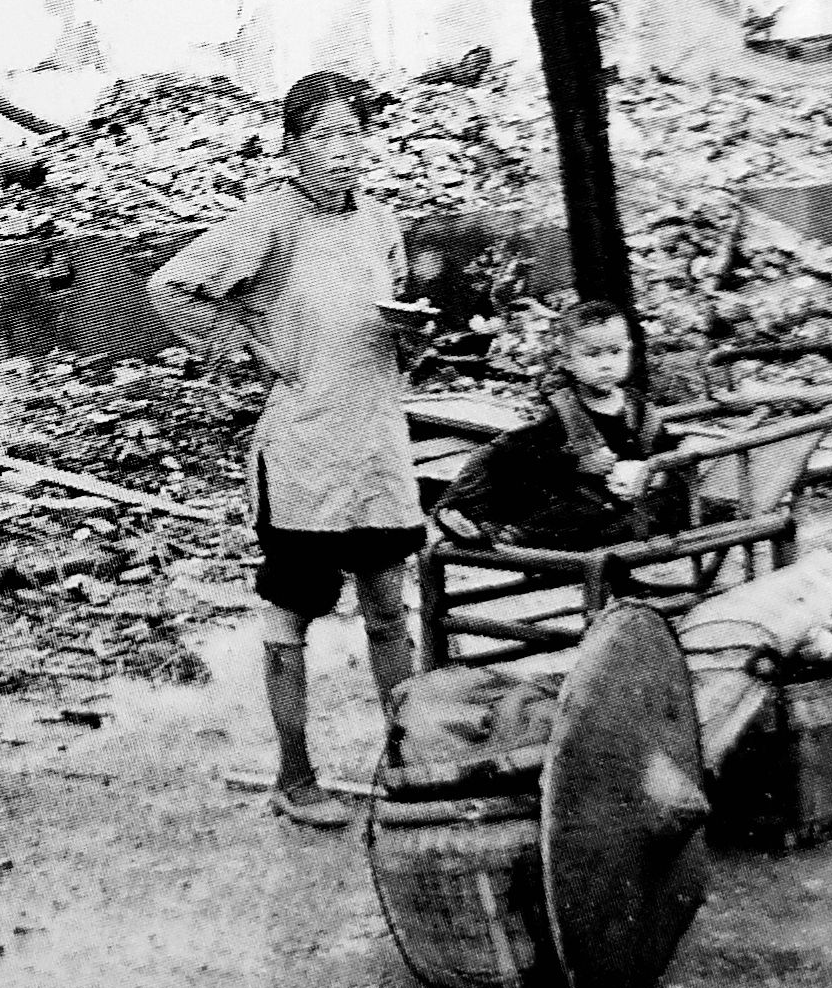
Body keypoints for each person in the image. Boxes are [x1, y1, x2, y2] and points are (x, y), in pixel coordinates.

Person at [147, 70, 425, 830]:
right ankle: (294, 775)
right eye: (324, 137)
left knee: (388, 611)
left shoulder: (380, 222)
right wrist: (241, 344)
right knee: (291, 612)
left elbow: (391, 314)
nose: (343, 151)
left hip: (375, 443)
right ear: (293, 147)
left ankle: (409, 760)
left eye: (352, 133)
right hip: (304, 449)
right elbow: (171, 286)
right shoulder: (268, 223)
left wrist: (412, 331)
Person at [433, 300, 680, 548]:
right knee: (565, 513)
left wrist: (655, 472)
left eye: (615, 352)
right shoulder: (561, 410)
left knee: (670, 503)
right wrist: (574, 463)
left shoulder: (637, 406)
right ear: (569, 359)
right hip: (575, 500)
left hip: (631, 501)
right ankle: (488, 529)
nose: (606, 364)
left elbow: (662, 447)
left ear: (629, 350)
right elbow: (528, 460)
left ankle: (506, 532)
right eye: (592, 355)